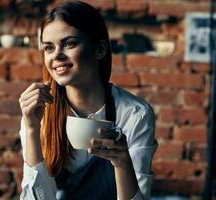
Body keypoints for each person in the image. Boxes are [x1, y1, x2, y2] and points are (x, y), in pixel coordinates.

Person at [18, 1, 157, 199]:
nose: (57, 55)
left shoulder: (135, 114)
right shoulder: (38, 112)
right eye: (49, 48)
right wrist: (31, 128)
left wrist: (122, 163)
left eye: (69, 43)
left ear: (99, 49)